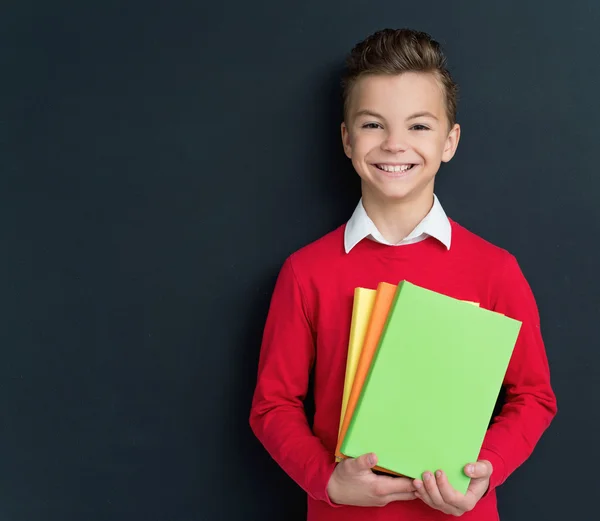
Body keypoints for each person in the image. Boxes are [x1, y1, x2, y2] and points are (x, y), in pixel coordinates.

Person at [249, 28, 557, 521]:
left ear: (449, 141)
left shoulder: (495, 270)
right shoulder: (306, 272)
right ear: (347, 140)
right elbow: (272, 405)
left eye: (418, 126)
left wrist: (488, 467)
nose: (395, 144)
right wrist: (325, 480)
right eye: (373, 125)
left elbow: (534, 396)